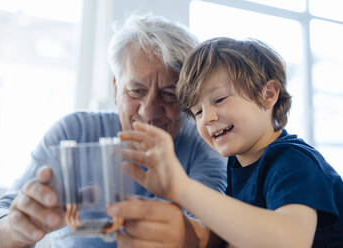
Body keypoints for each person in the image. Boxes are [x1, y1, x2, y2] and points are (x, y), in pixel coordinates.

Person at [0, 15, 227, 248]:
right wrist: (17, 228)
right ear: (115, 88)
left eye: (169, 95)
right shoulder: (74, 131)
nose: (149, 112)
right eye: (136, 91)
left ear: (187, 98)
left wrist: (189, 237)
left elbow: (218, 231)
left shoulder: (203, 146)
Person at [114, 37, 343, 247]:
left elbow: (291, 241)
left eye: (220, 99)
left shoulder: (293, 161)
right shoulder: (238, 164)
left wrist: (182, 188)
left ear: (269, 94)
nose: (208, 118)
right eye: (198, 112)